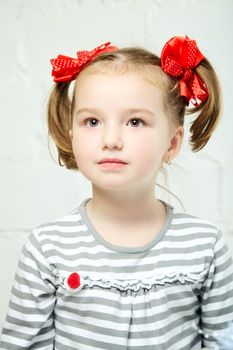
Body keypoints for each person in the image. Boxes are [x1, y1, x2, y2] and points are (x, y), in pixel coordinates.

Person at [1, 36, 233, 350]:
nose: (111, 139)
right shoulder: (48, 248)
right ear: (73, 136)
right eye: (92, 121)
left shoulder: (204, 246)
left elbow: (223, 340)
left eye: (135, 121)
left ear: (173, 143)